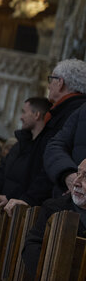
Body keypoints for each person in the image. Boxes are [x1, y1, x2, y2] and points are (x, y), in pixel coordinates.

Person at [22, 159, 86, 278]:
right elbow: (32, 246)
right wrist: (54, 276)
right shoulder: (54, 208)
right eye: (78, 173)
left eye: (85, 177)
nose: (76, 182)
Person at [43, 60, 86, 196]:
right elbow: (55, 145)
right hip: (67, 197)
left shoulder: (71, 109)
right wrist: (67, 174)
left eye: (51, 79)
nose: (48, 85)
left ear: (60, 82)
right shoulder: (82, 111)